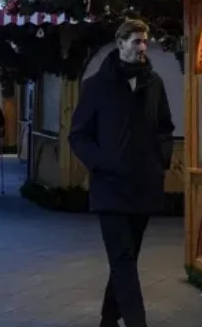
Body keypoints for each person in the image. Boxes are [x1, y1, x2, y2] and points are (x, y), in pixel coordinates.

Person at [70, 19, 175, 327]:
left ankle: (107, 317)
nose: (142, 48)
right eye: (135, 42)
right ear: (120, 44)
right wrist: (102, 163)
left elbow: (165, 127)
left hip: (144, 184)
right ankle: (136, 321)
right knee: (123, 259)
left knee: (127, 257)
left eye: (144, 42)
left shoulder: (153, 83)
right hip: (110, 188)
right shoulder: (96, 86)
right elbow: (78, 135)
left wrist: (162, 161)